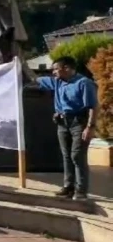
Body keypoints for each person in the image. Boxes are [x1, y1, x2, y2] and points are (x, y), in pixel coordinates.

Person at [33, 56, 97, 200]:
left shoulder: (84, 83)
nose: (53, 72)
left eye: (56, 69)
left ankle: (81, 191)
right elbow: (34, 79)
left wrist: (90, 127)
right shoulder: (57, 82)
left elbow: (93, 106)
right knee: (66, 156)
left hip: (78, 122)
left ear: (67, 68)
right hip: (62, 123)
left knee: (77, 156)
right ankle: (69, 187)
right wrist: (20, 64)